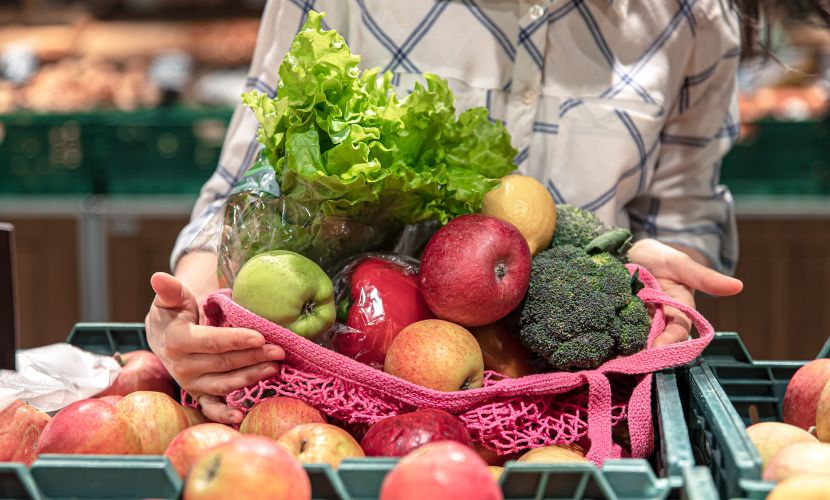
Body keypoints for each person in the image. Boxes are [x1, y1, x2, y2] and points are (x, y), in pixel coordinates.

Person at [145, 0, 810, 423]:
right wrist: (190, 318)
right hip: (338, 402)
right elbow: (242, 190)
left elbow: (682, 217)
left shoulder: (694, 16)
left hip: (583, 411)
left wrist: (668, 296)